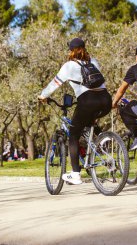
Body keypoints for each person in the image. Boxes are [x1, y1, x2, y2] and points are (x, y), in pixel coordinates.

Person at [38, 37, 112, 185]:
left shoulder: (69, 66)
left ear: (71, 51)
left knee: (73, 134)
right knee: (88, 121)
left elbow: (55, 84)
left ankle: (76, 174)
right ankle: (102, 138)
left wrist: (43, 95)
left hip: (87, 101)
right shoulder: (94, 61)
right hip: (105, 100)